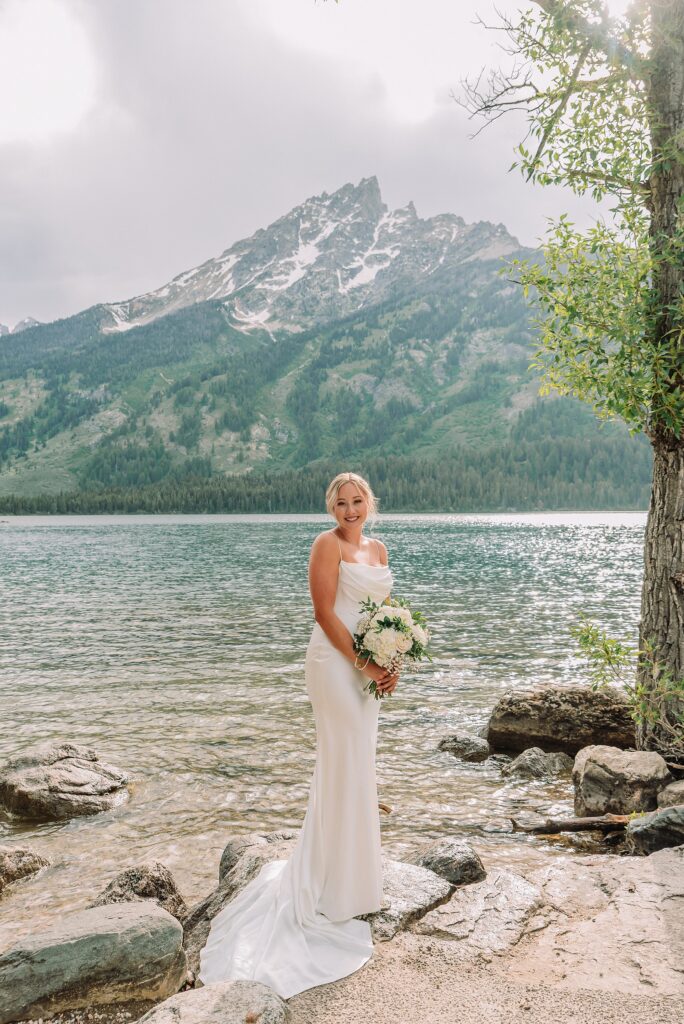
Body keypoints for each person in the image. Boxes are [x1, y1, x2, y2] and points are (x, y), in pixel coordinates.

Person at [197, 471, 399, 998]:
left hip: (368, 669)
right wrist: (365, 663)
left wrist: (390, 663)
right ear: (331, 508)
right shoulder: (326, 545)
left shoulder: (379, 549)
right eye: (341, 502)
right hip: (334, 665)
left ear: (370, 503)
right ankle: (327, 888)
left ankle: (355, 884)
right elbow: (325, 613)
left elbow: (384, 618)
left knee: (359, 767)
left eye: (357, 501)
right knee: (340, 764)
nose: (350, 510)